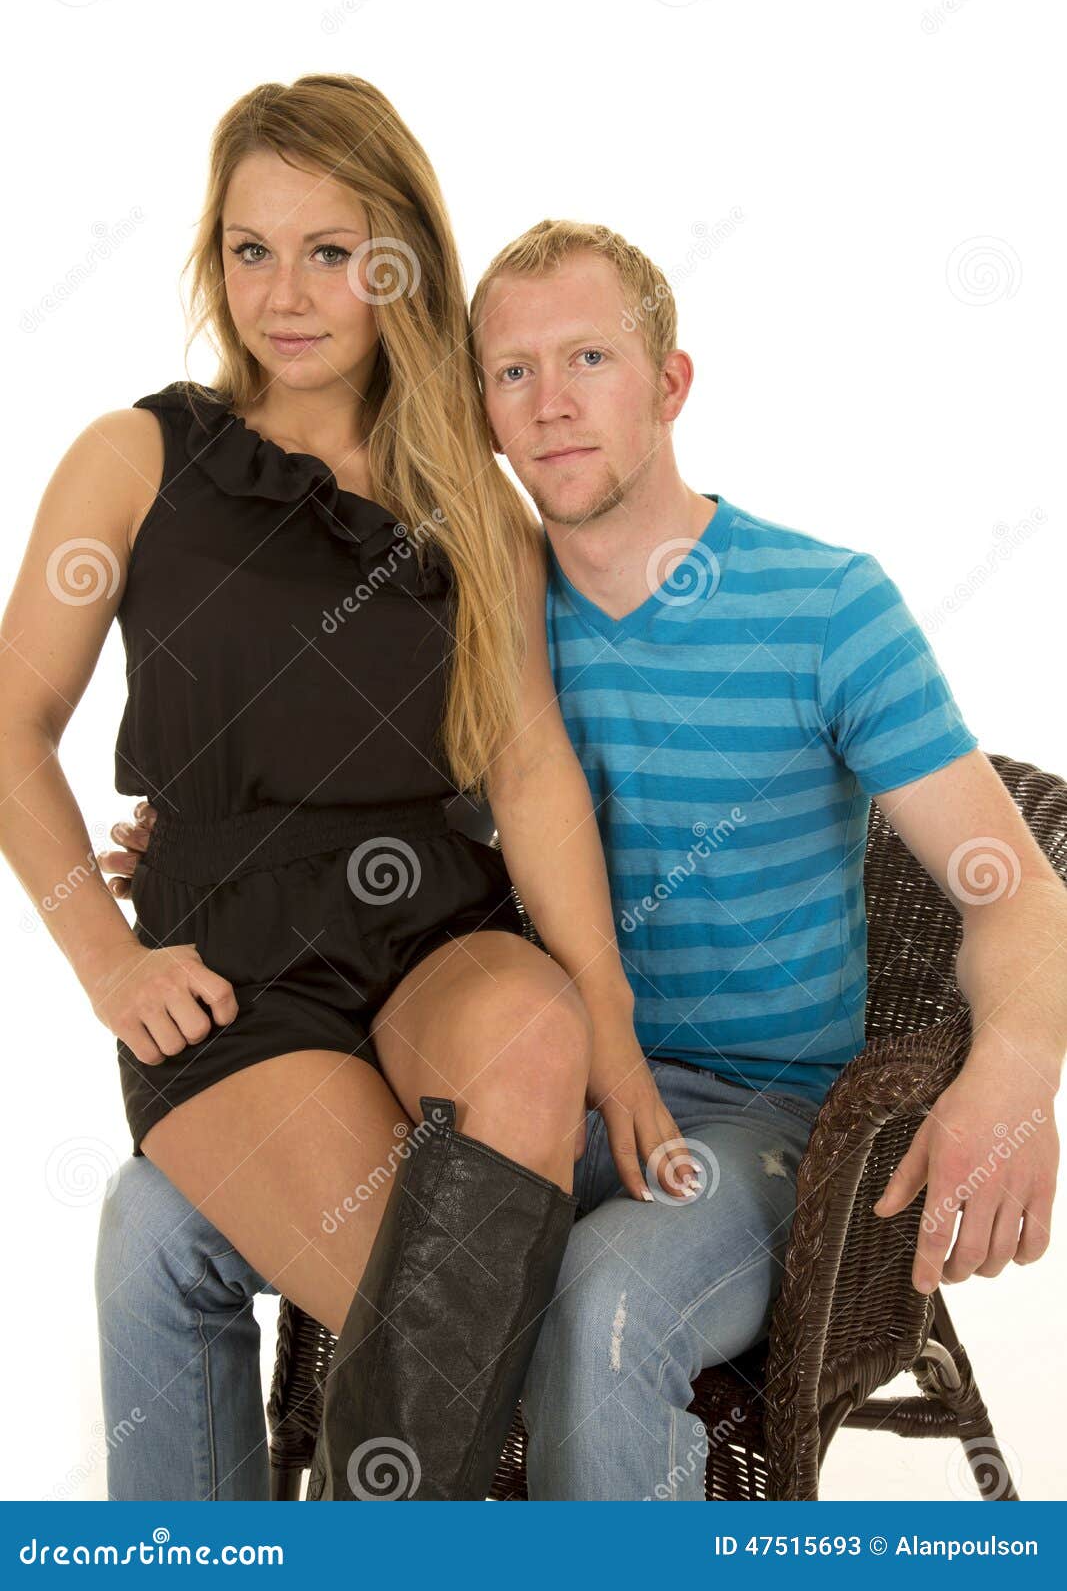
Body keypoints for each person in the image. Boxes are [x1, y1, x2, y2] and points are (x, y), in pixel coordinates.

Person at [96, 219, 1067, 1501]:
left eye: (590, 359)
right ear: (480, 410)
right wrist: (221, 838)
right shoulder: (460, 603)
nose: (549, 406)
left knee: (607, 1307)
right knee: (150, 1226)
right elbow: (357, 802)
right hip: (511, 1099)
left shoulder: (822, 605)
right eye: (510, 373)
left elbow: (1017, 891)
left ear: (668, 384)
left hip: (752, 1122)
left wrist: (1010, 1074)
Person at [0, 80, 699, 1506]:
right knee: (451, 1325)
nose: (288, 293)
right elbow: (13, 720)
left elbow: (528, 769)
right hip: (235, 972)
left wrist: (616, 1044)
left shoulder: (466, 495)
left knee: (528, 1026)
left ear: (398, 262)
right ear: (213, 257)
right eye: (251, 250)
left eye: (331, 251)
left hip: (434, 923)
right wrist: (105, 961)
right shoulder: (136, 458)